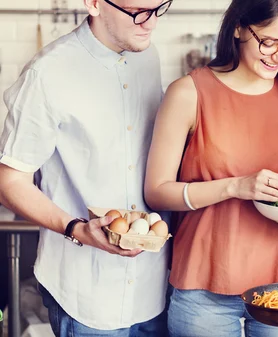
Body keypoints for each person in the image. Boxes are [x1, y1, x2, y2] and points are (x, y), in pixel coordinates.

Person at [143, 0, 278, 336]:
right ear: (238, 28)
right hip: (205, 282)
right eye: (268, 42)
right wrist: (235, 186)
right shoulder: (188, 93)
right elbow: (157, 191)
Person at [0, 0, 172, 335]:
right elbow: (9, 183)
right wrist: (76, 229)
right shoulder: (47, 72)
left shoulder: (149, 56)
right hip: (85, 295)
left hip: (154, 288)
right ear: (94, 4)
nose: (149, 23)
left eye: (158, 8)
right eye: (138, 12)